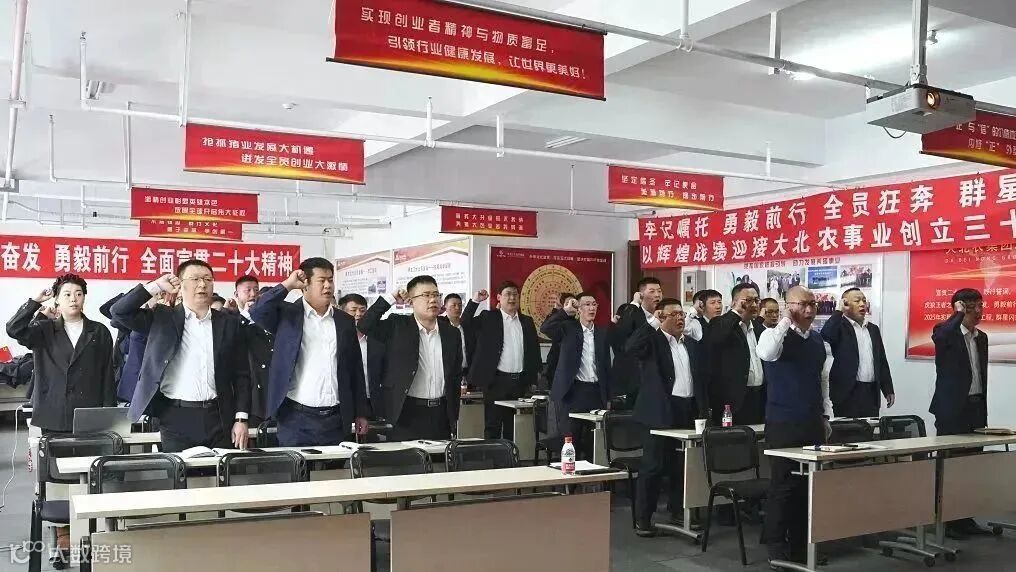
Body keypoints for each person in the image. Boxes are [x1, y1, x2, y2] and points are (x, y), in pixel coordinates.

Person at [111, 260, 251, 453]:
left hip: (219, 416)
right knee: (179, 470)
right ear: (180, 284)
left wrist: (241, 418)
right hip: (175, 416)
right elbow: (119, 312)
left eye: (207, 279)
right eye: (195, 279)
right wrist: (156, 286)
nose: (202, 284)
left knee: (219, 471)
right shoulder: (162, 318)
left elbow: (242, 374)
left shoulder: (229, 323)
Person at [250, 258, 368, 446]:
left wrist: (361, 412)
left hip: (336, 418)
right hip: (296, 418)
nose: (328, 286)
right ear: (305, 284)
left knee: (336, 465)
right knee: (296, 464)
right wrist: (288, 285)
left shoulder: (344, 321)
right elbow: (257, 311)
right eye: (322, 280)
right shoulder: (287, 315)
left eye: (330, 280)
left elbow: (355, 368)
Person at [756, 286, 833, 566]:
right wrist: (785, 321)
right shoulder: (772, 335)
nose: (809, 309)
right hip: (783, 421)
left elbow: (823, 379)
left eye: (812, 304)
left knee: (807, 485)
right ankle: (776, 544)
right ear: (788, 305)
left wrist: (826, 415)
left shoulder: (818, 340)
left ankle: (802, 545)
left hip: (811, 420)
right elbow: (767, 353)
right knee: (783, 485)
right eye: (802, 304)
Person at [625, 297, 707, 536]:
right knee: (653, 466)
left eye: (682, 314)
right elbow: (630, 347)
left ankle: (678, 510)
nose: (680, 318)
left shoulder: (691, 343)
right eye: (674, 314)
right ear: (661, 317)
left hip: (686, 409)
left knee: (682, 464)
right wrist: (653, 322)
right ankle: (643, 518)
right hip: (659, 410)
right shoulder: (653, 341)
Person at [7, 274, 116, 433]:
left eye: (79, 294)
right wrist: (35, 302)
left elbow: (107, 374)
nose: (73, 299)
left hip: (89, 411)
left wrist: (109, 412)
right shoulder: (44, 329)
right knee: (54, 450)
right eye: (67, 294)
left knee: (90, 450)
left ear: (84, 298)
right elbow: (14, 329)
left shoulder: (99, 331)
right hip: (53, 413)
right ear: (57, 299)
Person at [358, 275, 463, 440]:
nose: (433, 300)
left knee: (439, 457)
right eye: (426, 295)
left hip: (441, 414)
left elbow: (455, 375)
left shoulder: (451, 333)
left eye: (436, 295)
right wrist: (391, 298)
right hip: (405, 413)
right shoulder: (397, 326)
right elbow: (364, 325)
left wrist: (453, 415)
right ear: (411, 301)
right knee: (406, 456)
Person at [931, 288, 991, 538]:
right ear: (959, 307)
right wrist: (956, 314)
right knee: (950, 465)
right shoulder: (945, 332)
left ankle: (965, 518)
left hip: (976, 408)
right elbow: (942, 335)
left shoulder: (981, 337)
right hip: (952, 410)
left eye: (980, 305)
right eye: (971, 306)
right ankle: (945, 521)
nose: (978, 311)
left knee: (970, 466)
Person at [462, 282, 541, 439]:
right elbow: (465, 322)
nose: (512, 298)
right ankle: (493, 455)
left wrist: (534, 377)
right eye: (508, 294)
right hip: (496, 381)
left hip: (519, 382)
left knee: (514, 427)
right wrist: (475, 301)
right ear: (499, 297)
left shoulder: (527, 321)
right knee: (493, 425)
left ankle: (511, 454)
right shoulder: (489, 317)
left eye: (515, 294)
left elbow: (533, 349)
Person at [541, 292, 611, 459]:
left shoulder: (602, 332)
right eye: (587, 304)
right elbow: (546, 328)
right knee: (571, 441)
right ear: (579, 308)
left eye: (594, 304)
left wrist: (608, 396)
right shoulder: (568, 328)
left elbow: (606, 366)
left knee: (593, 442)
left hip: (595, 392)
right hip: (572, 392)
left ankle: (591, 474)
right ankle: (569, 475)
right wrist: (565, 311)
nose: (592, 308)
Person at [821, 288, 894, 418]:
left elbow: (881, 360)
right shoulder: (839, 327)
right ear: (845, 304)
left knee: (869, 428)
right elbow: (826, 335)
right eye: (857, 301)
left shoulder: (873, 329)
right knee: (848, 429)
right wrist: (838, 311)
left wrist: (888, 389)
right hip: (847, 393)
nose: (862, 304)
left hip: (871, 393)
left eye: (864, 301)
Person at [704, 283, 766, 426]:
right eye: (748, 300)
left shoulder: (758, 328)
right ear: (734, 302)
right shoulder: (720, 323)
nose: (754, 305)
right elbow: (716, 338)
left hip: (758, 397)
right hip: (732, 401)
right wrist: (736, 312)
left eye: (756, 300)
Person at [611, 277, 665, 402]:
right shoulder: (629, 311)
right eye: (652, 291)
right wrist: (635, 303)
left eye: (659, 291)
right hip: (631, 381)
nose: (657, 295)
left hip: (655, 382)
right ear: (641, 294)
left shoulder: (662, 315)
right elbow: (623, 335)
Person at [230, 275, 273, 427]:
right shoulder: (228, 318)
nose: (253, 294)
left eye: (256, 290)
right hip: (244, 395)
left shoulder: (267, 320)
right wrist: (246, 315)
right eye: (247, 290)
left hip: (268, 393)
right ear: (236, 294)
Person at [339, 293, 386, 419]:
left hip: (375, 401)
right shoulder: (339, 341)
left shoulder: (377, 340)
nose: (358, 314)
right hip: (348, 402)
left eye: (362, 310)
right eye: (353, 310)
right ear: (342, 313)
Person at [544, 292, 577, 390]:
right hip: (556, 369)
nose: (570, 306)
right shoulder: (558, 323)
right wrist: (558, 310)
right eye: (567, 303)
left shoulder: (579, 324)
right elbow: (545, 328)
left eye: (573, 303)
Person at [439, 293, 471, 383]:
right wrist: (438, 311)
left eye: (460, 305)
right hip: (447, 373)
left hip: (468, 372)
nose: (457, 308)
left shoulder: (467, 326)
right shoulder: (440, 324)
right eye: (453, 305)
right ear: (445, 307)